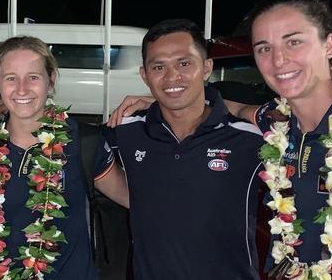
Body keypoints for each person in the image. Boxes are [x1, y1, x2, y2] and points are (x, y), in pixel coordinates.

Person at [110, 0, 332, 279]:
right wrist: (163, 99)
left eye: (293, 42)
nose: (279, 60)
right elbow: (240, 108)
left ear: (328, 44)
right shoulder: (277, 122)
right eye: (263, 48)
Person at [102, 19, 263, 279]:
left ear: (207, 67)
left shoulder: (250, 136)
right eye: (158, 67)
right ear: (144, 75)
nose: (172, 76)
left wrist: (237, 107)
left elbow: (309, 122)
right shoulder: (125, 130)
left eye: (184, 63)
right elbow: (74, 149)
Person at [0, 36, 128, 279]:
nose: (22, 89)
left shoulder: (82, 141)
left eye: (33, 77)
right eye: (11, 78)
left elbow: (134, 198)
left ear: (51, 80)